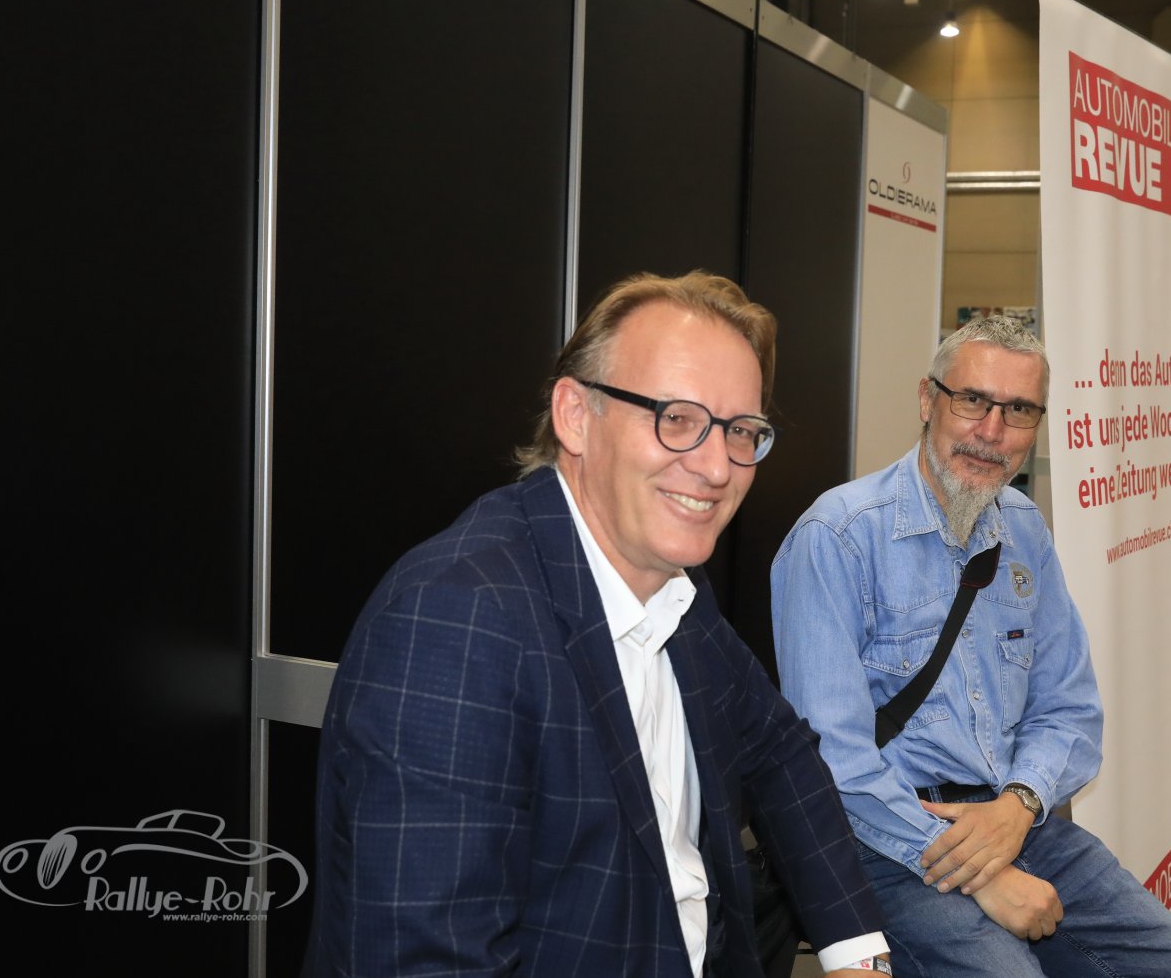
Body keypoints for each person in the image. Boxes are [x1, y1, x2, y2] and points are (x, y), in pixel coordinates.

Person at [304, 272, 889, 977]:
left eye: (741, 431)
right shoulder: (456, 621)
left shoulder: (675, 589)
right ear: (576, 414)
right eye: (677, 418)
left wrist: (859, 955)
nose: (715, 467)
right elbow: (425, 961)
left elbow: (780, 752)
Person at [771, 316, 1171, 978]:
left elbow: (1070, 710)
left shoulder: (1023, 529)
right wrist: (981, 870)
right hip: (886, 839)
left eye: (1018, 410)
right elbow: (831, 759)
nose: (992, 431)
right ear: (928, 400)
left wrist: (1018, 807)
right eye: (972, 400)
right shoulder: (838, 537)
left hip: (1016, 817)